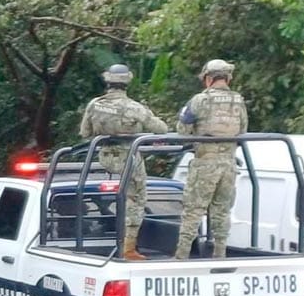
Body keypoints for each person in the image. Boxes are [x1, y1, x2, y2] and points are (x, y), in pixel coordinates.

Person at [80, 64, 168, 260]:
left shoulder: (94, 104)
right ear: (127, 81)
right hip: (128, 158)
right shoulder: (134, 107)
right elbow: (161, 129)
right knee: (136, 199)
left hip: (105, 156)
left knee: (126, 197)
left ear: (107, 80)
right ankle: (128, 248)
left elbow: (85, 133)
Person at [174, 59, 248, 259]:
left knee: (193, 210)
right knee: (222, 211)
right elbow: (242, 130)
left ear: (208, 78)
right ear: (228, 78)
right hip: (229, 164)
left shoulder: (199, 100)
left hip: (205, 163)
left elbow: (182, 130)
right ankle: (220, 253)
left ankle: (181, 256)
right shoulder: (238, 100)